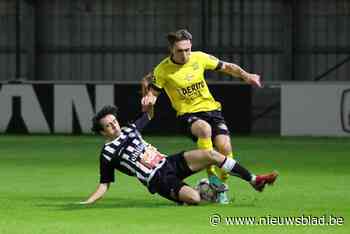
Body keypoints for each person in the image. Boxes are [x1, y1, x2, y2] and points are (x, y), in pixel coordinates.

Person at [141, 29, 262, 204]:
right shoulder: (162, 70)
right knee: (204, 129)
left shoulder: (200, 58)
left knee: (225, 148)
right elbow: (154, 93)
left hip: (212, 110)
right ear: (171, 51)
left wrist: (246, 75)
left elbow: (228, 67)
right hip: (187, 115)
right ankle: (212, 177)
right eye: (179, 51)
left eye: (187, 50)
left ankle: (220, 187)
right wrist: (148, 100)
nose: (184, 54)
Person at [78, 102, 278, 205]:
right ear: (103, 132)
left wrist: (149, 95)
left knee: (211, 154)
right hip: (159, 180)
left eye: (114, 121)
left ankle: (254, 179)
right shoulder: (107, 154)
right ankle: (204, 189)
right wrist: (89, 201)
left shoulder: (130, 128)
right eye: (109, 126)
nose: (114, 125)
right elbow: (104, 184)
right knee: (195, 199)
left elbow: (148, 115)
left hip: (169, 163)